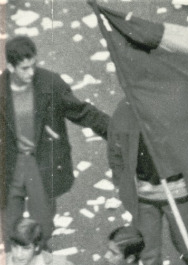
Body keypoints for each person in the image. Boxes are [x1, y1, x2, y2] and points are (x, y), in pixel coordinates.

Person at [1, 35, 109, 241]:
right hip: (10, 171)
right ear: (11, 66)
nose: (31, 72)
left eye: (34, 65)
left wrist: (118, 131)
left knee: (42, 228)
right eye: (25, 68)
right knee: (8, 229)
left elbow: (82, 112)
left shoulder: (51, 84)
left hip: (42, 168)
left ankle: (41, 261)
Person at [107, 99, 188, 265]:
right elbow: (115, 148)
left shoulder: (179, 104)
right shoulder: (126, 109)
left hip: (179, 191)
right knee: (147, 253)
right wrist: (122, 182)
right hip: (144, 196)